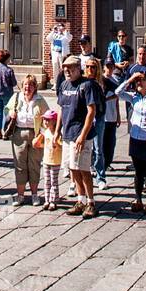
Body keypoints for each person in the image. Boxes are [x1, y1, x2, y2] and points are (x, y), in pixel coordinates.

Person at [54, 56, 97, 218]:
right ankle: (81, 199)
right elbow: (61, 109)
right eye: (65, 68)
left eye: (71, 68)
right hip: (68, 133)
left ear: (79, 68)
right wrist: (58, 130)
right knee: (72, 167)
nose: (67, 71)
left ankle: (91, 202)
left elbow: (91, 111)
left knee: (83, 168)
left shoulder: (86, 85)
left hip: (81, 134)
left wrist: (83, 135)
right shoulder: (64, 85)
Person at [115, 69, 146, 213]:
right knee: (138, 171)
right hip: (135, 137)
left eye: (142, 80)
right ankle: (139, 199)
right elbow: (117, 92)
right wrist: (130, 79)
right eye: (137, 81)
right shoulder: (133, 97)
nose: (139, 83)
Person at [5, 73, 44, 205]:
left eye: (31, 85)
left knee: (34, 165)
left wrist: (43, 134)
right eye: (26, 84)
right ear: (22, 86)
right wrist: (10, 113)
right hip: (19, 134)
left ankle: (34, 195)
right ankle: (20, 195)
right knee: (20, 165)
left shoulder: (40, 100)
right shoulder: (16, 97)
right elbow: (6, 110)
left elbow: (49, 116)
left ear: (35, 87)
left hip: (35, 134)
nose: (28, 87)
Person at [83, 56, 109, 189]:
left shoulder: (101, 82)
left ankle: (101, 176)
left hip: (98, 117)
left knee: (98, 148)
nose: (89, 69)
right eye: (87, 67)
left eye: (93, 67)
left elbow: (117, 90)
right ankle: (86, 173)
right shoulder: (82, 82)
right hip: (85, 117)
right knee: (87, 148)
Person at [38, 108, 63, 210]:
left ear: (54, 122)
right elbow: (42, 144)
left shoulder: (57, 134)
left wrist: (56, 143)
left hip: (55, 161)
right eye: (44, 120)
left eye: (48, 120)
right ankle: (47, 199)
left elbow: (61, 147)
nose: (45, 122)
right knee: (46, 181)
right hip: (46, 160)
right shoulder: (46, 132)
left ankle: (53, 201)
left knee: (54, 181)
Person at [0, 49, 17, 139]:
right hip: (7, 93)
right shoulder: (9, 70)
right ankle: (5, 132)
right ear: (7, 59)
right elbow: (14, 83)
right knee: (7, 112)